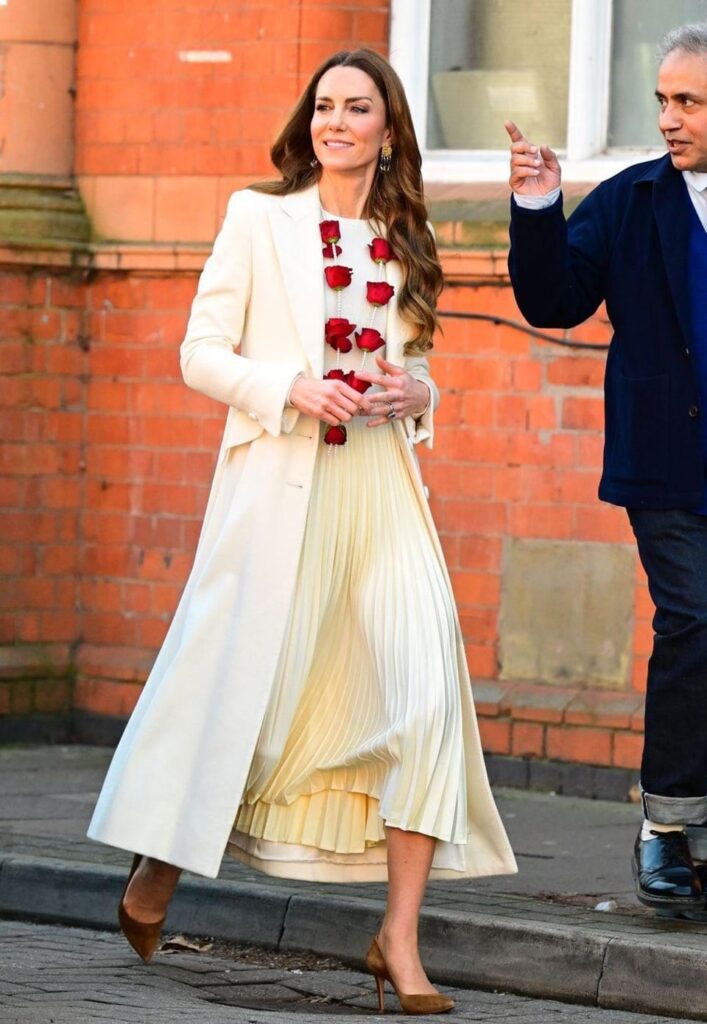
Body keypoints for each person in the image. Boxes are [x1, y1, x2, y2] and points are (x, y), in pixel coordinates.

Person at [88, 47, 516, 1011]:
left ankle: (398, 942)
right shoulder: (260, 220)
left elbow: (415, 370)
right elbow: (199, 352)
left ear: (386, 130)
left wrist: (420, 392)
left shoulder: (406, 236)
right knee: (258, 705)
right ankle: (161, 865)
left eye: (355, 108)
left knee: (424, 694)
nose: (334, 121)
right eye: (323, 105)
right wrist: (287, 386)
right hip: (282, 490)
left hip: (379, 490)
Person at [505, 22, 707, 914]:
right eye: (662, 99)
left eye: (688, 101)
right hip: (666, 463)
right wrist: (540, 209)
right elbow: (554, 299)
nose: (669, 117)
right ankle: (666, 828)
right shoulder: (628, 202)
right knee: (695, 620)